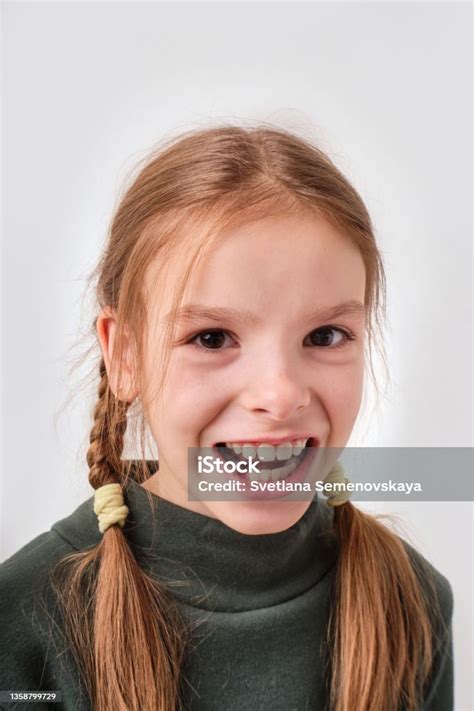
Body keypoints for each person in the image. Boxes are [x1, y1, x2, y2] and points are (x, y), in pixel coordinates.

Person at [0, 124, 454, 711]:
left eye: (325, 335)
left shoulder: (412, 601)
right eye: (212, 337)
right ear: (125, 355)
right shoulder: (23, 623)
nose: (280, 394)